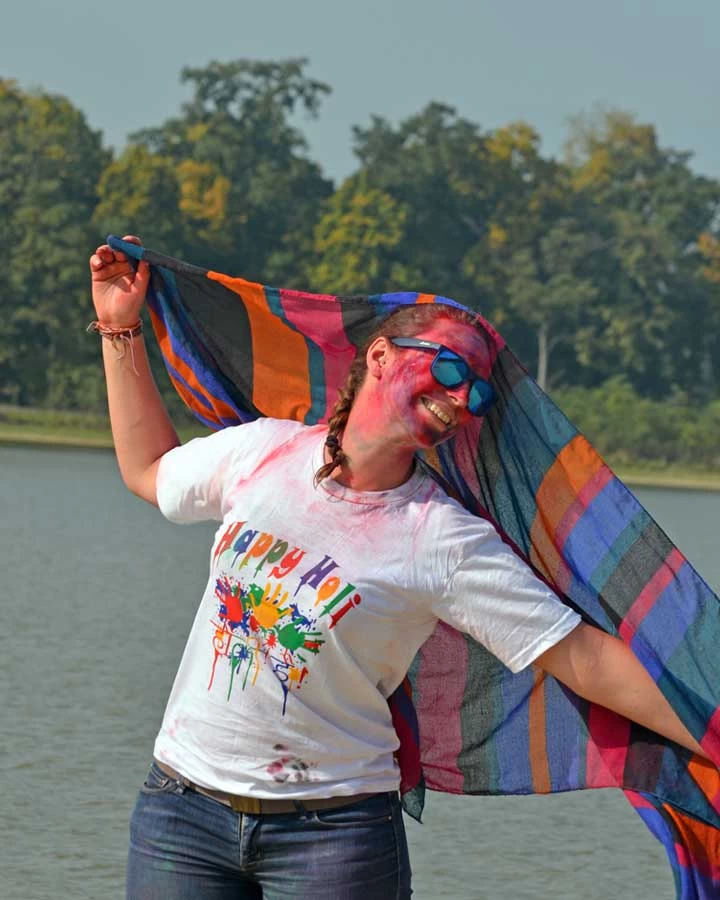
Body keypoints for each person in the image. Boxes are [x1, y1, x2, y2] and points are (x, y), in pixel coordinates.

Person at [90, 236, 709, 900]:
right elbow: (147, 471)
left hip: (332, 838)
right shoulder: (263, 453)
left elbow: (583, 658)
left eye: (476, 392)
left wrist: (711, 733)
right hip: (181, 815)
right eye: (448, 369)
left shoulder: (441, 539)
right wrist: (121, 326)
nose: (461, 397)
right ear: (380, 356)